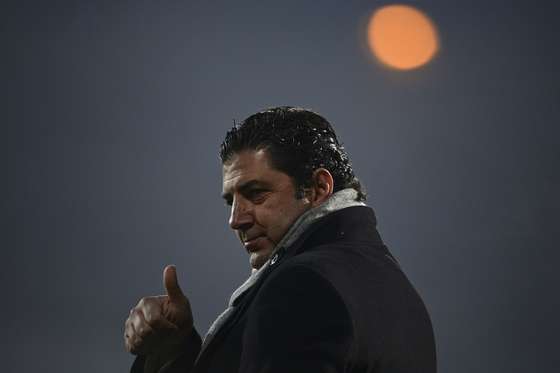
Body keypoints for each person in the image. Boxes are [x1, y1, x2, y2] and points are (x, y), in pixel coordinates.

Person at [124, 106, 437, 373]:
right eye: (230, 201)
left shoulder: (303, 285)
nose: (236, 219)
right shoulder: (394, 287)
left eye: (255, 193)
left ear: (318, 188)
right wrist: (173, 351)